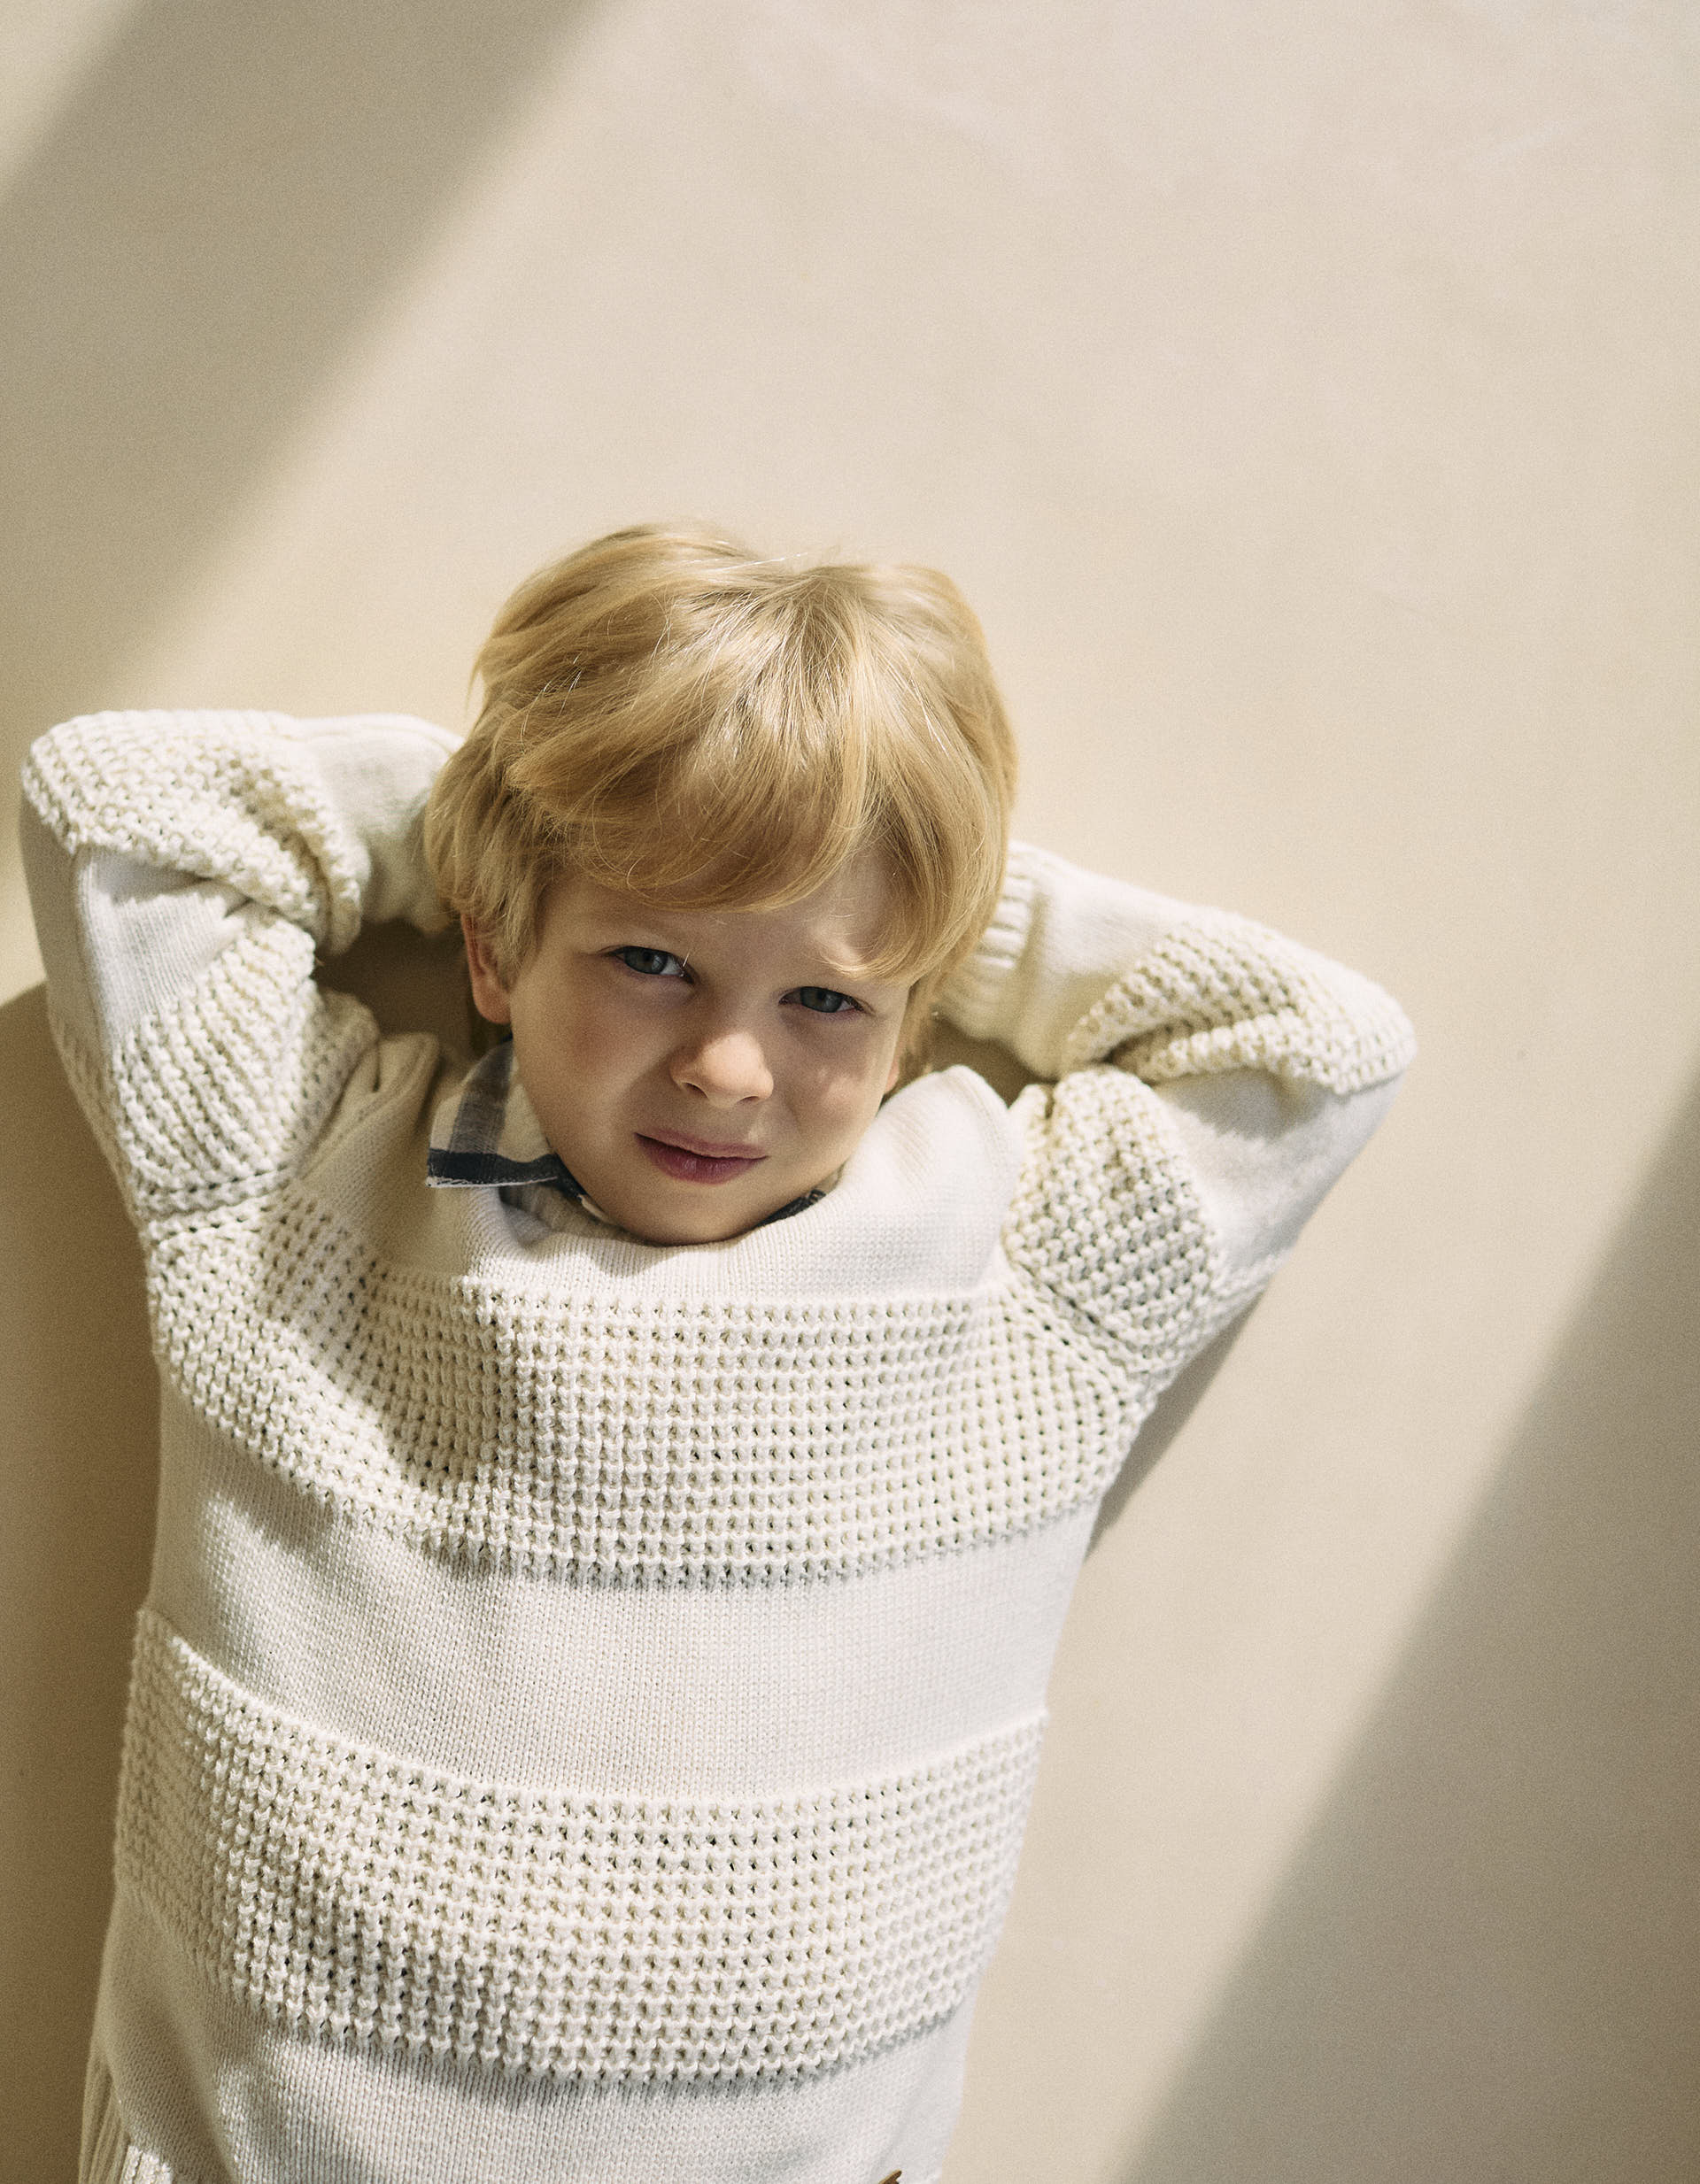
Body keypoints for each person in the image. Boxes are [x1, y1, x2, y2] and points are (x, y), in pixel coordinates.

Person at [23, 526, 1413, 2184]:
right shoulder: (298, 1172)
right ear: (494, 944)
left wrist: (905, 861)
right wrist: (542, 814)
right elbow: (113, 810)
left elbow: (1316, 1049)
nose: (732, 1067)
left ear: (917, 999)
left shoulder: (1015, 1264)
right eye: (653, 961)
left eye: (827, 999)